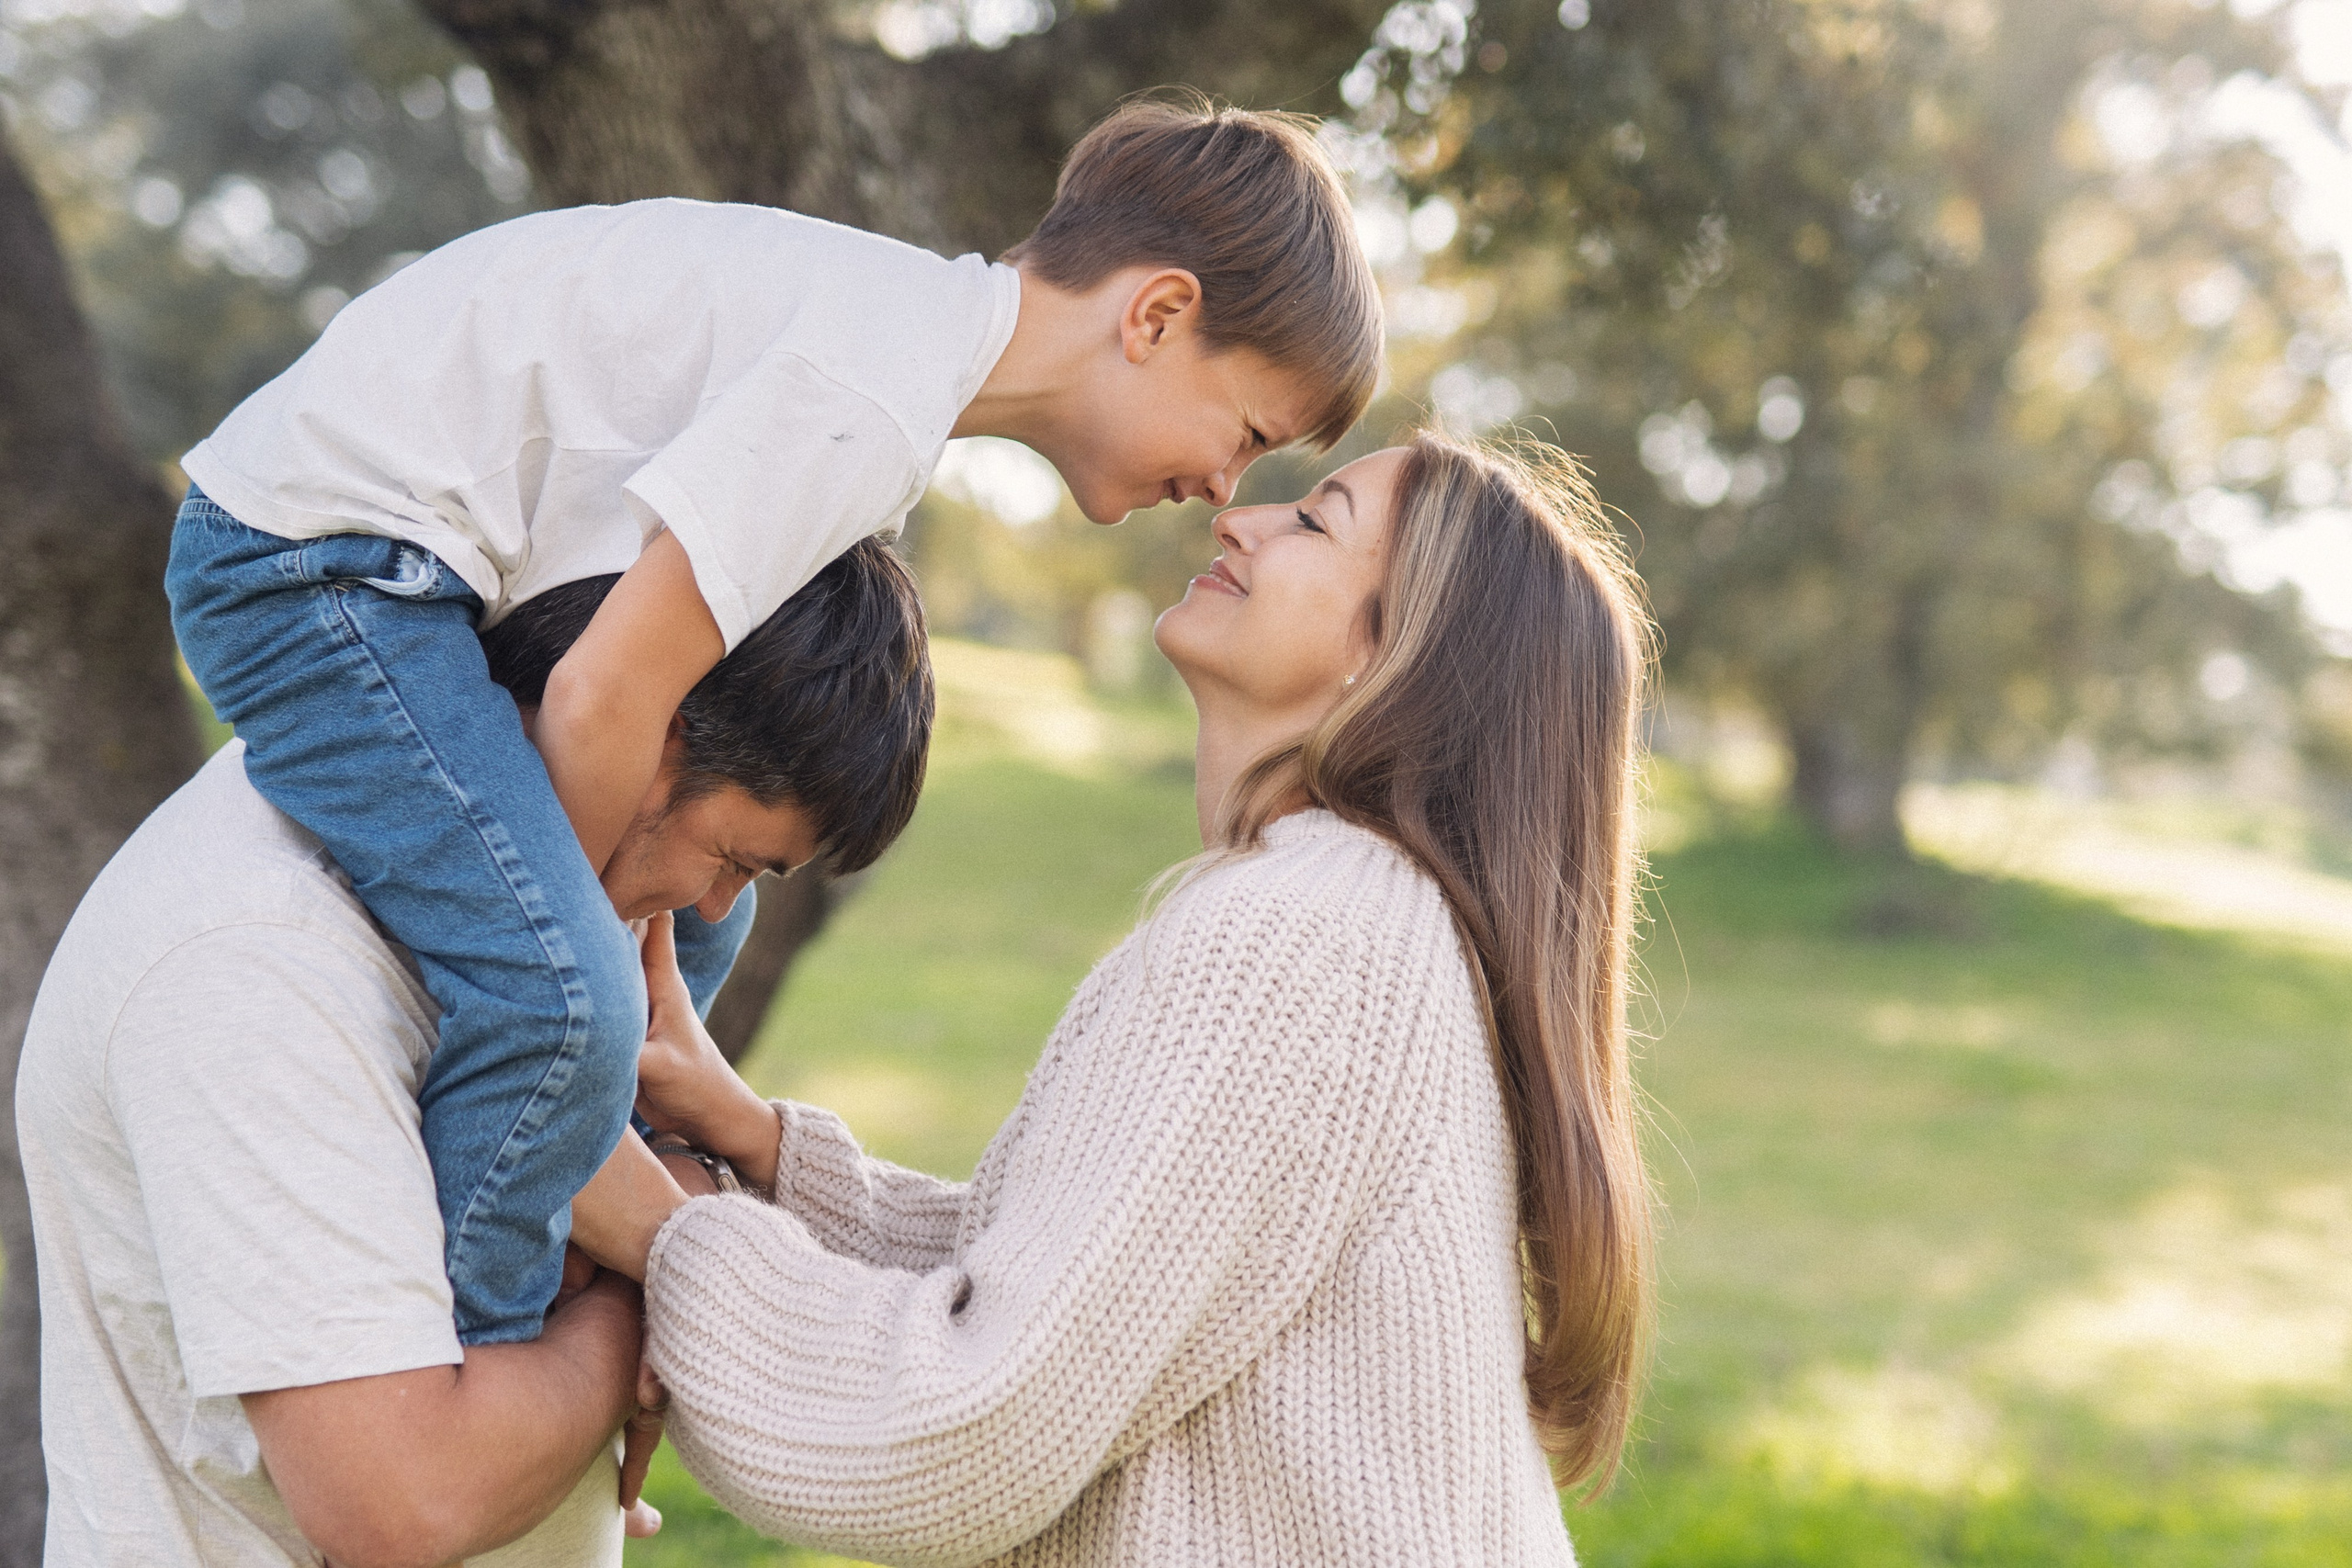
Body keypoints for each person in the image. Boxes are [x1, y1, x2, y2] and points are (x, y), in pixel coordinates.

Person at [164, 96, 1384, 1350]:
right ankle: (477, 1340)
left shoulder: (894, 355)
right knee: (563, 995)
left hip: (403, 573)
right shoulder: (872, 389)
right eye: (1248, 433)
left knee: (708, 919)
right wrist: (571, 935)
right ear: (1157, 315)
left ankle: (600, 1207)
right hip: (311, 567)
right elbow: (602, 693)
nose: (1226, 489)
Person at [573, 432, 1658, 1565]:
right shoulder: (1361, 922)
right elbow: (1105, 1287)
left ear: (1398, 659)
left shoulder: (1294, 939)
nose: (1238, 517)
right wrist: (754, 1144)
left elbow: (971, 1432)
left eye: (1313, 521)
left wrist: (654, 1225)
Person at [17, 539, 931, 1567]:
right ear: (646, 724)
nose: (715, 909)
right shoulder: (261, 958)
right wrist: (651, 1284)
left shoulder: (545, 923)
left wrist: (661, 1205)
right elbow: (405, 1501)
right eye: (729, 859)